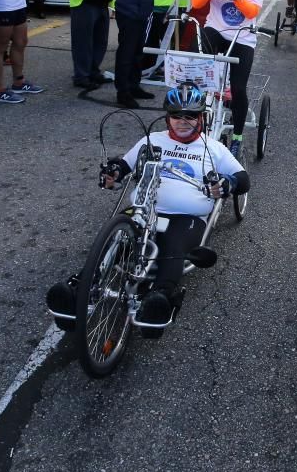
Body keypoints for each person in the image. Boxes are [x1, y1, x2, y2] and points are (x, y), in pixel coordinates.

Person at [48, 83, 250, 326]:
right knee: (115, 242)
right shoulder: (152, 140)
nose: (182, 121)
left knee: (173, 247)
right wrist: (113, 173)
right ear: (167, 117)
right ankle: (79, 288)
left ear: (201, 117)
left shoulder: (214, 148)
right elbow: (123, 166)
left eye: (190, 116)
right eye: (176, 115)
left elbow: (243, 179)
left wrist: (226, 184)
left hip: (186, 216)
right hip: (143, 209)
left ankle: (161, 297)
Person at [190, 0, 264, 158]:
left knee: (239, 88)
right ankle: (192, 118)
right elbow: (196, 1)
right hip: (216, 29)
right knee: (195, 70)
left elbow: (251, 12)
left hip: (242, 36)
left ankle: (238, 137)